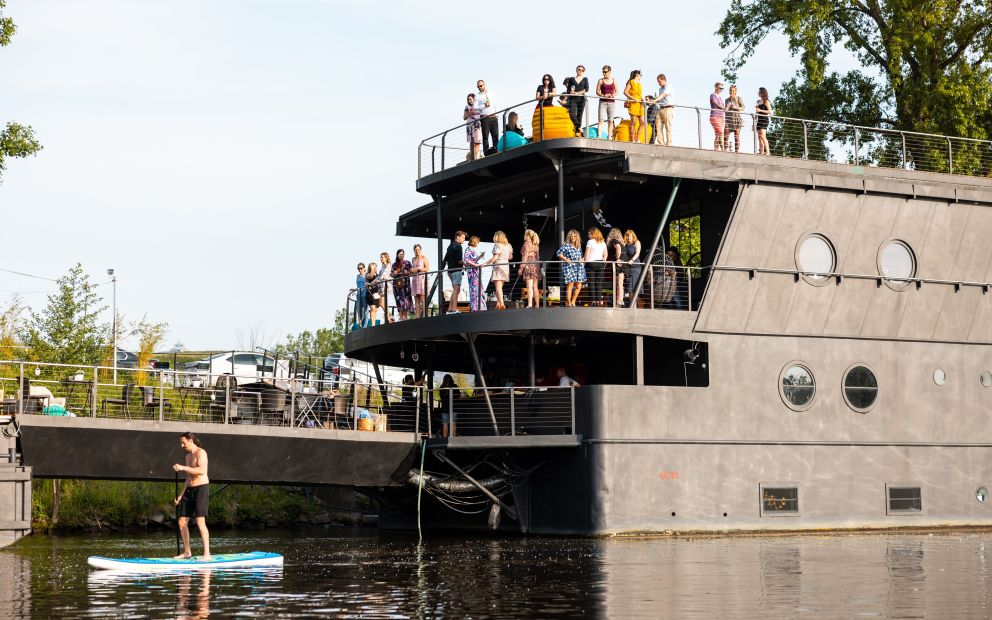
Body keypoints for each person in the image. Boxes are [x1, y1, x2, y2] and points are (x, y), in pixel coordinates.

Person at [173, 432, 211, 560]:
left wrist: (183, 468)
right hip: (189, 490)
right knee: (182, 521)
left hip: (201, 489)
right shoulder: (188, 457)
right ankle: (187, 552)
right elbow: (188, 479)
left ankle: (207, 554)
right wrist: (181, 494)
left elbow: (201, 471)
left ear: (190, 440)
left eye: (183, 442)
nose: (182, 445)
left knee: (200, 522)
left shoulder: (201, 453)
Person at [557, 229, 586, 307]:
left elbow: (581, 256)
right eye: (571, 236)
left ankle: (573, 301)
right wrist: (566, 259)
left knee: (579, 285)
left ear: (577, 237)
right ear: (569, 237)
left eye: (574, 236)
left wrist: (581, 259)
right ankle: (568, 302)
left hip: (579, 267)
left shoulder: (579, 246)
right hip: (569, 267)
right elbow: (558, 253)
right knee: (570, 284)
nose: (573, 237)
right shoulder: (566, 245)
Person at [485, 231, 513, 310]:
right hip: (505, 266)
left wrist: (485, 263)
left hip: (498, 265)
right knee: (500, 287)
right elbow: (510, 257)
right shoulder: (508, 245)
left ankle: (502, 305)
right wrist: (504, 257)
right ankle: (498, 303)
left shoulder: (497, 245)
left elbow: (495, 258)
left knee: (498, 287)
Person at [441, 231, 466, 314]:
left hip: (450, 271)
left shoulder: (450, 246)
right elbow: (459, 260)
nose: (464, 239)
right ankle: (454, 309)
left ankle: (450, 309)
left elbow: (445, 259)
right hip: (456, 270)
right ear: (457, 237)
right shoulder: (458, 246)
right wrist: (466, 264)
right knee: (456, 290)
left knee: (455, 290)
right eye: (462, 237)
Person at [646, 74, 673, 145]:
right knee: (658, 127)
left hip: (668, 108)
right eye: (658, 82)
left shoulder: (669, 87)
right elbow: (660, 99)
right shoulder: (660, 89)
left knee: (668, 127)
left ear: (664, 80)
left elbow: (663, 95)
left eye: (659, 81)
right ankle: (661, 144)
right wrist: (653, 101)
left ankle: (669, 144)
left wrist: (655, 100)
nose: (659, 83)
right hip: (661, 109)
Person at [583, 227, 607, 305]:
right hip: (600, 263)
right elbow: (606, 254)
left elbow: (587, 254)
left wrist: (584, 263)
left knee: (591, 282)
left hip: (591, 263)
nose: (588, 236)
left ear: (593, 234)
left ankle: (593, 300)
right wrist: (603, 262)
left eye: (589, 234)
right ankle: (598, 300)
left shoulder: (590, 242)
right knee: (599, 283)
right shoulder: (602, 242)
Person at [563, 65, 589, 136]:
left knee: (579, 116)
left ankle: (577, 132)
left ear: (584, 71)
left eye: (582, 70)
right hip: (573, 99)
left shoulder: (585, 79)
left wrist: (578, 93)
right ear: (576, 70)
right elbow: (568, 90)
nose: (580, 71)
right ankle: (579, 128)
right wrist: (570, 92)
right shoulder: (572, 79)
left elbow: (586, 89)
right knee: (572, 115)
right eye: (579, 69)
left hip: (581, 99)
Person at [463, 235, 487, 312]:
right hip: (472, 273)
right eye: (478, 242)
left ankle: (479, 306)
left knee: (477, 289)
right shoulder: (468, 249)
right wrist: (476, 265)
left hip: (475, 272)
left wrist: (480, 256)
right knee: (474, 289)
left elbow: (472, 260)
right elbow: (466, 259)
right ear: (475, 242)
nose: (478, 243)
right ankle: (476, 307)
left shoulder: (471, 250)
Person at [519, 229, 541, 308]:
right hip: (536, 266)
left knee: (529, 286)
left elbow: (524, 258)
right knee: (535, 286)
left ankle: (530, 304)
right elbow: (538, 257)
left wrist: (521, 268)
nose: (523, 236)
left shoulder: (526, 244)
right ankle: (537, 305)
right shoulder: (535, 244)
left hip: (529, 265)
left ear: (527, 236)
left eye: (525, 234)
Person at [476, 79, 498, 156]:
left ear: (484, 85)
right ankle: (486, 153)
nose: (480, 87)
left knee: (495, 134)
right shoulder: (477, 96)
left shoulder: (492, 93)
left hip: (494, 116)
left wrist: (497, 113)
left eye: (481, 85)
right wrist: (484, 105)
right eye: (478, 86)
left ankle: (496, 149)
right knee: (485, 136)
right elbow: (476, 108)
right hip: (485, 117)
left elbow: (495, 103)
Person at [391, 249, 413, 321]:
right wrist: (394, 273)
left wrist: (406, 272)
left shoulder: (407, 263)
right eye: (399, 254)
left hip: (405, 284)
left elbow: (412, 272)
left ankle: (405, 317)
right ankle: (401, 317)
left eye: (402, 254)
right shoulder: (394, 264)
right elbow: (391, 274)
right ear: (397, 255)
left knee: (406, 300)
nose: (401, 255)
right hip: (397, 285)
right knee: (398, 300)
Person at [596, 65, 617, 140]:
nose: (604, 73)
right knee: (601, 119)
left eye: (605, 72)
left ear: (609, 72)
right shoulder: (600, 80)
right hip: (603, 102)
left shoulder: (614, 80)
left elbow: (617, 91)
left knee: (610, 120)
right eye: (603, 72)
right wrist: (603, 95)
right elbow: (597, 92)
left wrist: (612, 95)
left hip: (612, 103)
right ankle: (599, 136)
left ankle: (609, 136)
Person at [623, 70, 644, 143]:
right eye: (640, 75)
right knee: (633, 122)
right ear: (637, 75)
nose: (641, 76)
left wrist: (643, 98)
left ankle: (637, 139)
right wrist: (633, 98)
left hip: (640, 104)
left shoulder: (639, 84)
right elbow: (625, 92)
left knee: (642, 122)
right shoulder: (631, 82)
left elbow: (640, 94)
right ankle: (632, 140)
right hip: (633, 103)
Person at [606, 228, 625, 306]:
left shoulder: (614, 241)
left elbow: (618, 248)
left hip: (619, 264)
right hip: (623, 264)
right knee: (620, 283)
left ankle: (619, 301)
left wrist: (617, 258)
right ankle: (620, 300)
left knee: (619, 283)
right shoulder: (621, 242)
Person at [622, 229, 642, 305]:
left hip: (635, 267)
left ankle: (635, 306)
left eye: (629, 236)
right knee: (630, 290)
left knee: (631, 289)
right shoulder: (626, 245)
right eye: (626, 236)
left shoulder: (637, 242)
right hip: (628, 268)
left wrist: (632, 260)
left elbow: (637, 253)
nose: (628, 238)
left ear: (633, 236)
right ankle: (634, 306)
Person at [723, 84, 745, 153]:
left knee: (737, 137)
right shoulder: (726, 100)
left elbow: (743, 107)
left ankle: (736, 152)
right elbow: (725, 109)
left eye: (732, 91)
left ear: (735, 91)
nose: (731, 92)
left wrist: (736, 107)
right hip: (728, 120)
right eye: (730, 90)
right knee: (725, 137)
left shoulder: (738, 98)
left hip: (736, 120)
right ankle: (725, 151)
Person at [410, 244, 430, 318]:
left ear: (421, 250)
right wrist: (411, 270)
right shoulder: (413, 259)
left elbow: (427, 268)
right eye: (415, 249)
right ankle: (417, 316)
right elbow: (412, 269)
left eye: (418, 249)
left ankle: (425, 315)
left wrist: (418, 269)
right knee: (416, 298)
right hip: (415, 279)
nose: (417, 251)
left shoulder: (424, 257)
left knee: (422, 297)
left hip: (422, 278)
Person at [463, 93, 483, 161]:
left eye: (471, 99)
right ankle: (473, 158)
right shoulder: (467, 107)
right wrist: (469, 113)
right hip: (470, 125)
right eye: (468, 99)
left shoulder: (478, 106)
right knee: (472, 142)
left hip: (477, 125)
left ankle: (476, 157)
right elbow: (464, 117)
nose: (470, 101)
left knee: (478, 142)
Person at [438, 373, 458, 438]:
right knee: (453, 424)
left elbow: (441, 398)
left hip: (444, 408)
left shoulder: (441, 388)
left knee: (445, 425)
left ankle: (444, 440)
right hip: (453, 407)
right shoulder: (455, 386)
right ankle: (453, 439)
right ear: (451, 379)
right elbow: (458, 396)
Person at [756, 87, 773, 156]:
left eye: (759, 92)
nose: (758, 93)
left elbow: (770, 111)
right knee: (759, 137)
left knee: (763, 136)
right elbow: (757, 112)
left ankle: (768, 152)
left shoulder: (766, 101)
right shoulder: (758, 101)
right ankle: (762, 153)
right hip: (759, 120)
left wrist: (760, 110)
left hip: (764, 120)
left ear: (763, 93)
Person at [375, 252, 391, 322]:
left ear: (386, 258)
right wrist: (371, 283)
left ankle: (389, 317)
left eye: (382, 257)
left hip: (385, 287)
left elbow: (383, 275)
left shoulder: (388, 265)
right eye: (380, 257)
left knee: (382, 303)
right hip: (381, 287)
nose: (380, 258)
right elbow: (378, 276)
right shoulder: (382, 266)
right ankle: (389, 317)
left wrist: (378, 280)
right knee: (382, 303)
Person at [710, 82, 726, 151]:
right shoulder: (713, 95)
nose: (721, 90)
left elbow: (724, 108)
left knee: (717, 134)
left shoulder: (720, 97)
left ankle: (716, 149)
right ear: (716, 87)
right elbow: (715, 103)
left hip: (721, 117)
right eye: (720, 88)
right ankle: (722, 149)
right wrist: (721, 107)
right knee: (721, 132)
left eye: (722, 88)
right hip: (715, 116)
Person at [354, 262, 368, 329]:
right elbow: (358, 285)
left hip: (365, 294)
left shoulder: (366, 275)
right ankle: (361, 325)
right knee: (359, 311)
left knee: (365, 311)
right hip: (358, 295)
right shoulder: (357, 276)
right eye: (358, 268)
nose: (360, 269)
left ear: (364, 268)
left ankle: (364, 327)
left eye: (361, 268)